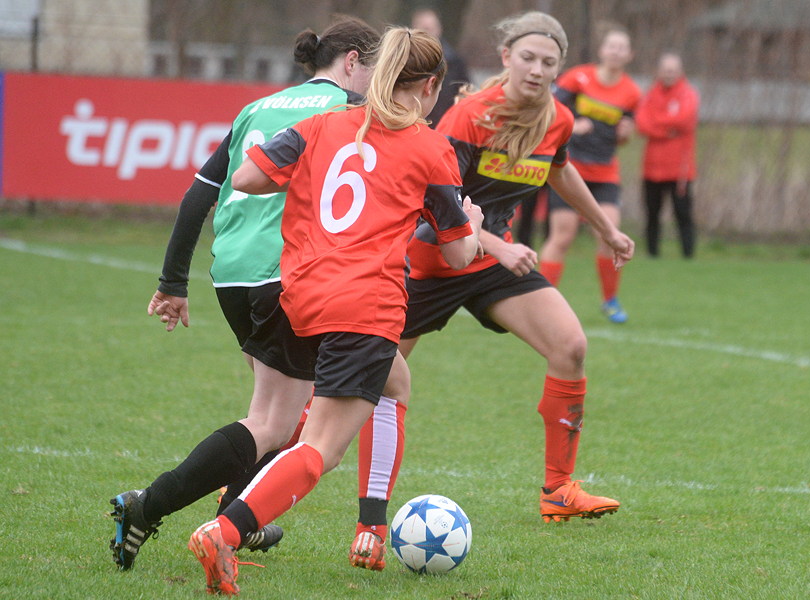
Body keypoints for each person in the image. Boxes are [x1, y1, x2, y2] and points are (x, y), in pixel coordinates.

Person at [187, 27, 483, 595]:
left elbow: (245, 177)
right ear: (429, 87)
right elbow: (456, 253)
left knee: (393, 382)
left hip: (304, 294)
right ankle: (225, 531)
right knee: (320, 449)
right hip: (365, 302)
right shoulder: (429, 148)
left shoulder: (322, 125)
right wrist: (472, 223)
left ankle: (369, 524)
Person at [350, 12, 634, 554]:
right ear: (506, 57)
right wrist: (499, 246)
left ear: (559, 68)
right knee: (362, 379)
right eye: (528, 57)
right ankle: (270, 464)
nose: (537, 69)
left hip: (491, 264)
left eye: (548, 61)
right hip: (433, 261)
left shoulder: (557, 119)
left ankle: (558, 490)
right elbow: (435, 202)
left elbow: (559, 168)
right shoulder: (469, 116)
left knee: (571, 346)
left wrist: (606, 228)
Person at [109, 17, 382, 571]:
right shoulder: (347, 113)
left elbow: (197, 196)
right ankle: (150, 507)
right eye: (376, 71)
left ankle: (237, 517)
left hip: (232, 274)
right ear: (353, 61)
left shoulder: (257, 108)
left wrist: (173, 282)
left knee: (274, 414)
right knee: (275, 423)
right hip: (288, 273)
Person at [537, 24, 641, 324]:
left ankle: (610, 301)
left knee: (610, 236)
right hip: (569, 171)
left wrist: (625, 135)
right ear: (602, 50)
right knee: (563, 236)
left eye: (622, 48)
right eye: (612, 46)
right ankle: (542, 301)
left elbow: (623, 135)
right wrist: (573, 124)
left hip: (605, 173)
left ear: (630, 55)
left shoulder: (632, 92)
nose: (616, 52)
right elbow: (549, 110)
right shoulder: (578, 78)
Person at [635, 52, 700, 258]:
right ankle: (652, 253)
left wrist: (656, 122)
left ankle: (688, 256)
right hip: (652, 167)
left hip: (679, 169)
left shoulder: (688, 94)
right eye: (665, 70)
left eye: (672, 70)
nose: (669, 74)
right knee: (652, 213)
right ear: (659, 71)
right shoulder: (650, 94)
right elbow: (642, 123)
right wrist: (667, 130)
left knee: (682, 213)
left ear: (680, 71)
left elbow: (683, 120)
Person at [410, 7, 470, 126]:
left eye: (433, 28)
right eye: (425, 28)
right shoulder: (404, 61)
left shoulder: (454, 62)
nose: (429, 33)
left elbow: (465, 93)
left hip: (443, 124)